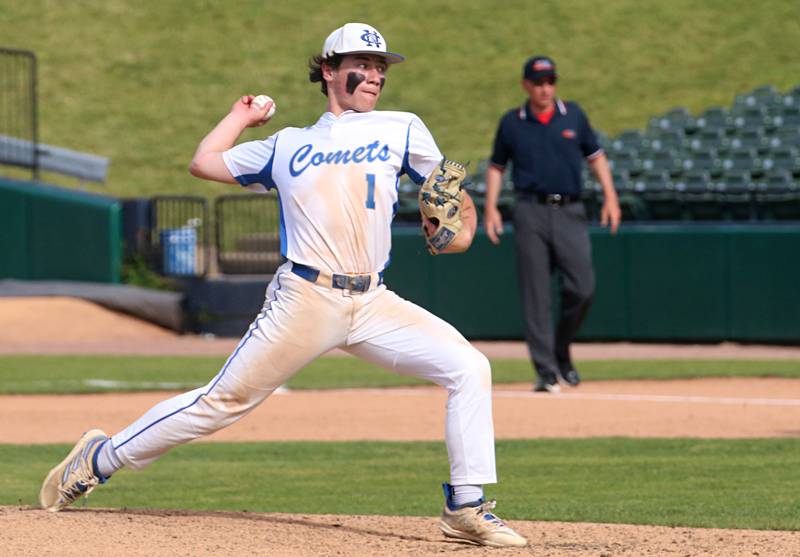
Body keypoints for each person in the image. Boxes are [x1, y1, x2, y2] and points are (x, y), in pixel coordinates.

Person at [39, 23, 527, 548]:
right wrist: (240, 117)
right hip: (305, 299)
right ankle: (100, 458)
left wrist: (461, 230)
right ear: (328, 70)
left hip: (374, 301)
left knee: (469, 367)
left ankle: (466, 506)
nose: (375, 76)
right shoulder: (287, 145)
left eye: (382, 67)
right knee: (221, 403)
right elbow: (203, 163)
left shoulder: (403, 127)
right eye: (363, 65)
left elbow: (448, 195)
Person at [483, 55, 621, 394]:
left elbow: (596, 156)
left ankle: (561, 349)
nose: (545, 88)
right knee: (536, 295)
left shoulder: (572, 115)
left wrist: (611, 196)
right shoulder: (512, 122)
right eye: (538, 82)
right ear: (526, 85)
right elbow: (497, 167)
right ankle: (545, 371)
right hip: (530, 211)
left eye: (550, 81)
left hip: (570, 209)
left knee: (582, 287)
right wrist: (490, 209)